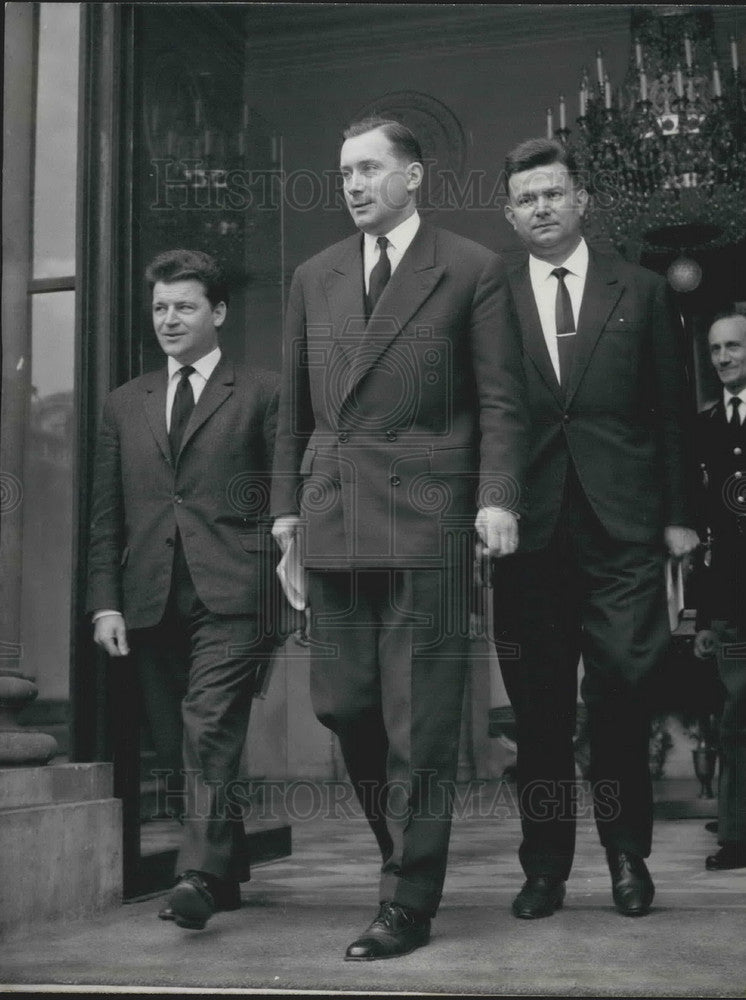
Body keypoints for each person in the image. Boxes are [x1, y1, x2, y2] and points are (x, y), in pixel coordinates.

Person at [271, 117, 528, 959]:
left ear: (413, 177)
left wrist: (495, 499)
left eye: (370, 168)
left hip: (429, 518)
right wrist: (284, 512)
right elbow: (295, 407)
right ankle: (401, 848)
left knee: (421, 723)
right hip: (336, 510)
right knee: (342, 704)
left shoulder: (470, 268)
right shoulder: (316, 275)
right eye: (344, 170)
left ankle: (406, 898)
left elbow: (498, 399)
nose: (352, 184)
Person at [491, 137, 699, 920]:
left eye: (553, 193)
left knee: (621, 700)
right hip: (528, 534)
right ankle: (544, 868)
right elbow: (483, 416)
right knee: (538, 714)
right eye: (526, 198)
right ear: (510, 215)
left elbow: (673, 413)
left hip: (625, 532)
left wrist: (680, 517)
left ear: (582, 201)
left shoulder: (641, 291)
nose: (541, 206)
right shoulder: (492, 294)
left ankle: (626, 859)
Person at [86, 249, 281, 930]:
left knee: (208, 725)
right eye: (161, 307)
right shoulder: (123, 403)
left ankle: (196, 875)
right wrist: (105, 599)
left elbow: (282, 497)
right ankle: (227, 870)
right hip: (149, 597)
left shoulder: (262, 392)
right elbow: (107, 512)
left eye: (184, 306)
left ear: (218, 313)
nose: (169, 319)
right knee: (179, 746)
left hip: (235, 594)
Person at [693, 309, 746, 871]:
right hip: (733, 600)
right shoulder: (705, 427)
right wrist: (705, 617)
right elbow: (706, 533)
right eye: (715, 350)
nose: (725, 357)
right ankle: (736, 833)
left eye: (734, 347)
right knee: (737, 715)